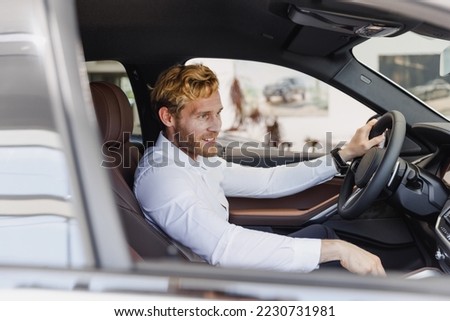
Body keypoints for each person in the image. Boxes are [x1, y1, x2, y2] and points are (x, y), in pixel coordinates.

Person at [134, 64, 386, 276]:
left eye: (218, 113)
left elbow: (269, 181)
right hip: (217, 286)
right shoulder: (163, 176)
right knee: (333, 255)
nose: (216, 126)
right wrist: (338, 250)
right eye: (203, 116)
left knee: (323, 234)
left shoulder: (195, 159)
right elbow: (226, 248)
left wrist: (343, 156)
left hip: (227, 271)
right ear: (168, 118)